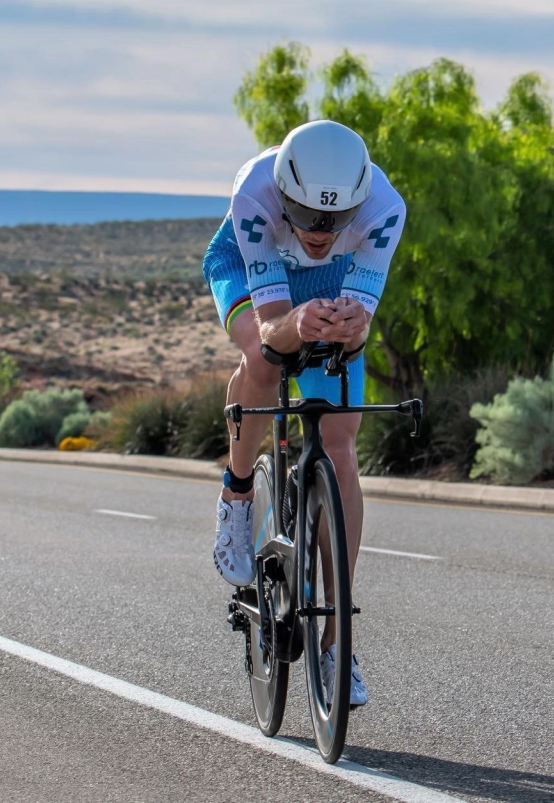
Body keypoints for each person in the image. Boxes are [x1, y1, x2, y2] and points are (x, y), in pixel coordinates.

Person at [202, 119, 406, 707]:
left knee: (340, 446)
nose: (320, 231)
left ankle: (338, 641)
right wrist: (295, 324)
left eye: (336, 219)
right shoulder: (253, 194)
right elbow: (271, 328)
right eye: (309, 215)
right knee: (264, 363)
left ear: (359, 202)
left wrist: (352, 328)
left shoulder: (385, 209)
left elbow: (359, 328)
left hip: (334, 283)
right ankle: (237, 496)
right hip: (250, 267)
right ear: (284, 194)